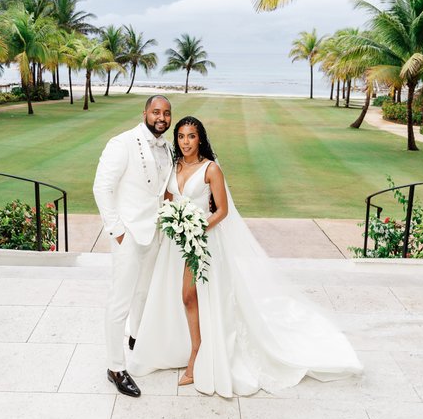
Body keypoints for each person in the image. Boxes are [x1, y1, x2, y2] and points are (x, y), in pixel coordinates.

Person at [128, 116, 363, 397]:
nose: (185, 142)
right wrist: (170, 220)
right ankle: (176, 346)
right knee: (174, 294)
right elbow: (168, 199)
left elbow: (222, 210)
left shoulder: (211, 169)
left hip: (202, 241)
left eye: (191, 136)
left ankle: (197, 353)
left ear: (200, 139)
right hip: (175, 242)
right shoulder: (174, 165)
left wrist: (197, 228)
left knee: (190, 295)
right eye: (180, 136)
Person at [92, 95, 173, 398]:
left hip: (155, 233)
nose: (161, 117)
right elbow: (102, 187)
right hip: (128, 234)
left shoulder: (168, 148)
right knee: (120, 301)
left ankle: (136, 339)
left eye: (166, 113)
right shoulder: (122, 143)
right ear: (145, 113)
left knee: (144, 294)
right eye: (156, 112)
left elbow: (161, 190)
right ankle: (115, 368)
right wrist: (117, 231)